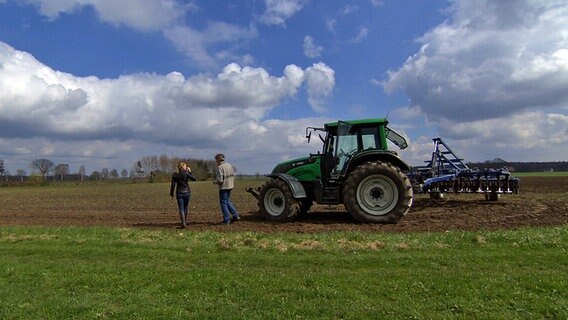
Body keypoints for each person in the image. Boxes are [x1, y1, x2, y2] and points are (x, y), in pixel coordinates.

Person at [213, 153, 239, 225]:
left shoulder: (220, 167)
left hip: (224, 187)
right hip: (230, 186)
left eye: (216, 160)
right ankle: (235, 215)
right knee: (227, 201)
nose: (216, 162)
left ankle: (226, 220)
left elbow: (220, 180)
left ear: (218, 160)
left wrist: (215, 182)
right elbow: (234, 175)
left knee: (223, 203)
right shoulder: (229, 165)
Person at [170, 161, 196, 228]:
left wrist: (171, 193)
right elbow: (194, 179)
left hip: (179, 193)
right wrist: (190, 172)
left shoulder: (175, 174)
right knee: (186, 207)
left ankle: (183, 223)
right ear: (182, 167)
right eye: (185, 166)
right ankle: (185, 222)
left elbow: (173, 185)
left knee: (181, 208)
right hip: (187, 192)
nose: (186, 167)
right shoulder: (186, 173)